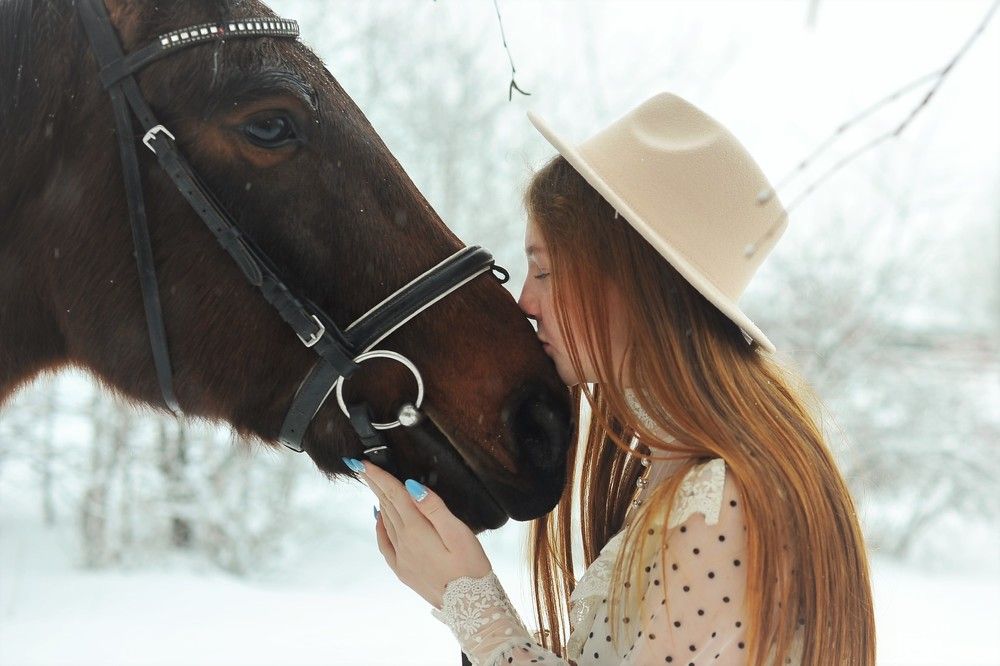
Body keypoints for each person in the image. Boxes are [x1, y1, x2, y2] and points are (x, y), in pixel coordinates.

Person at [344, 92, 876, 665]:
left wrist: (471, 602)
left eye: (544, 269)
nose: (524, 300)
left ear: (635, 282)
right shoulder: (692, 477)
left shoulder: (719, 501)